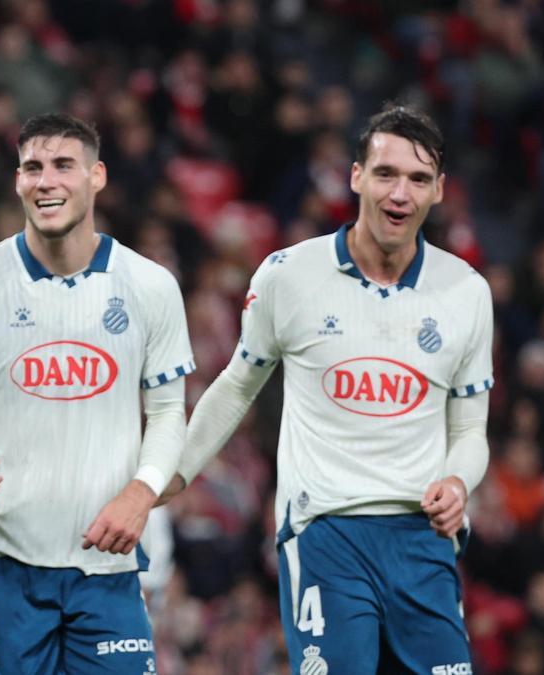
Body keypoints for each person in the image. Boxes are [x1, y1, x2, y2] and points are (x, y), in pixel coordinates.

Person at [165, 106, 492, 673]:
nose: (400, 193)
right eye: (386, 174)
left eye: (418, 179)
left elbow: (468, 429)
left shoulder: (466, 291)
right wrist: (170, 477)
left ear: (438, 190)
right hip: (326, 532)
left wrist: (459, 480)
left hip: (423, 538)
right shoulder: (289, 274)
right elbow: (237, 387)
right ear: (356, 176)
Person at [0, 113, 193, 674]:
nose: (46, 181)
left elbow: (167, 413)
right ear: (17, 180)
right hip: (4, 562)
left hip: (109, 565)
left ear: (97, 176)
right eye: (32, 168)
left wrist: (142, 492)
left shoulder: (150, 286)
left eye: (64, 165)